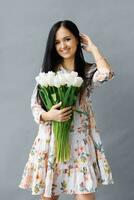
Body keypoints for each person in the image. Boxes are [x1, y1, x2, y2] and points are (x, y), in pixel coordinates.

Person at [18, 20, 115, 200]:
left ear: (77, 40)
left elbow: (106, 73)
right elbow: (35, 105)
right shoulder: (48, 72)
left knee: (85, 195)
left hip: (80, 144)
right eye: (57, 42)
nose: (63, 45)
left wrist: (93, 49)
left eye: (67, 39)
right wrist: (49, 115)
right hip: (52, 141)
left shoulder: (86, 71)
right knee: (49, 196)